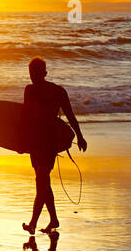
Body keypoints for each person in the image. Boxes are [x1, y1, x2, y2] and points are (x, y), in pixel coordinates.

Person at [21, 56, 86, 234]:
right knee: (42, 182)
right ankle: (54, 220)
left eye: (36, 72)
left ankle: (33, 223)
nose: (33, 76)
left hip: (50, 141)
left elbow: (70, 115)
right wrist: (20, 143)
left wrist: (80, 136)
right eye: (30, 73)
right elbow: (26, 119)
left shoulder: (58, 92)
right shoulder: (29, 90)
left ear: (44, 73)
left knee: (42, 180)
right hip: (35, 141)